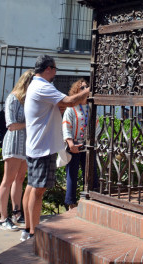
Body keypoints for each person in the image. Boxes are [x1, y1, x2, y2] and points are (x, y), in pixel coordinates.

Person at [20, 55, 90, 242]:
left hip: (37, 145)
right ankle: (33, 233)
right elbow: (67, 101)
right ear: (49, 68)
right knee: (38, 190)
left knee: (31, 187)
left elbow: (56, 107)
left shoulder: (35, 86)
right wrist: (89, 91)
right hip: (42, 147)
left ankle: (27, 229)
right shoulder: (43, 86)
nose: (56, 73)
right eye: (55, 69)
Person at [0, 70, 34, 230]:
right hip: (13, 143)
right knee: (8, 179)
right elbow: (11, 125)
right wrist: (30, 124)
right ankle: (2, 218)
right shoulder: (13, 98)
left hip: (26, 144)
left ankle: (16, 212)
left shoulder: (29, 101)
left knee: (20, 179)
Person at [62, 78, 90, 210]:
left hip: (87, 147)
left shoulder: (90, 107)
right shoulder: (71, 108)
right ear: (77, 91)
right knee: (72, 176)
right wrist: (70, 143)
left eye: (86, 88)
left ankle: (89, 199)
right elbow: (66, 126)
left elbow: (95, 125)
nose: (85, 90)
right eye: (82, 88)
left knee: (89, 174)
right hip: (74, 146)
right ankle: (71, 204)